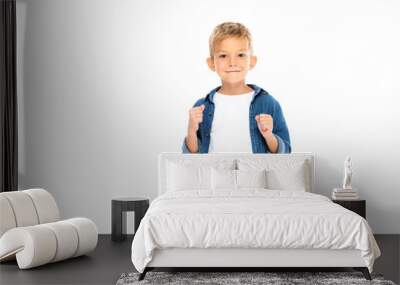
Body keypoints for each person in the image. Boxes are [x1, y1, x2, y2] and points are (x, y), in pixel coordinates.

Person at [182, 22, 291, 154]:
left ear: (252, 61)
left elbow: (285, 152)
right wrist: (191, 130)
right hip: (215, 174)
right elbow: (192, 155)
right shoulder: (202, 107)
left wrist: (269, 136)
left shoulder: (267, 103)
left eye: (241, 55)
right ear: (211, 63)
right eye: (223, 56)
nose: (232, 63)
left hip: (253, 174)